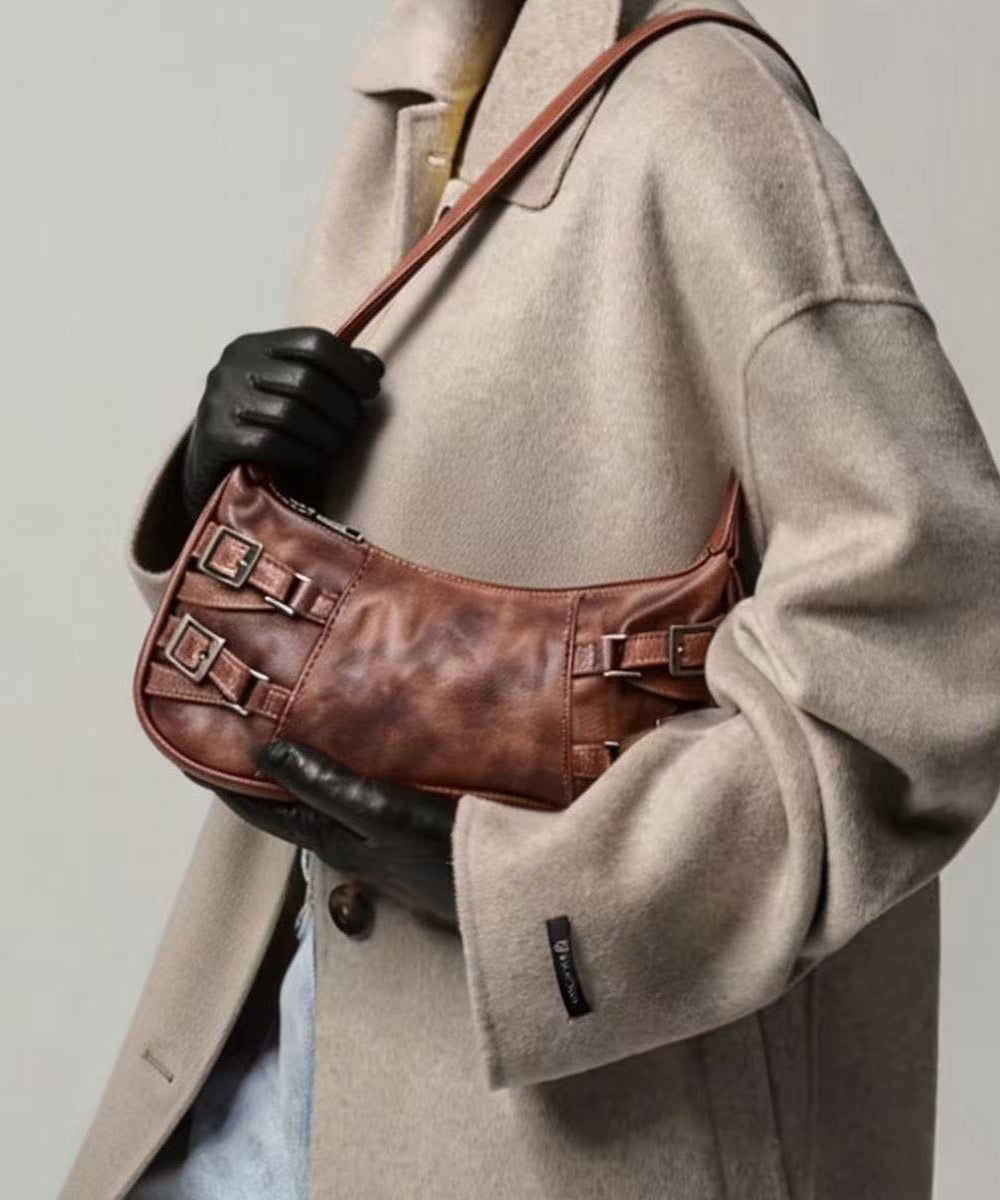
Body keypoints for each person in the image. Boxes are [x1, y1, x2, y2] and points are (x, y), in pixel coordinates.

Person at [61, 1, 1000, 1197]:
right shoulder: (416, 98)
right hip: (283, 1044)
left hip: (559, 1127)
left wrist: (536, 893)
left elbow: (932, 638)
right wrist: (223, 481)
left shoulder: (702, 117)